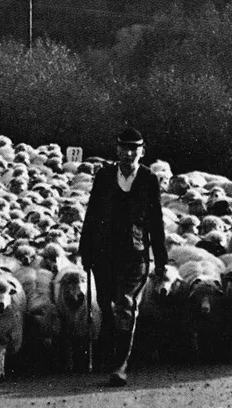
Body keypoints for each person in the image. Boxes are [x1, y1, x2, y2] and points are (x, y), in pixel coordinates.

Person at [76, 127, 167, 387]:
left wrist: (161, 259)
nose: (128, 154)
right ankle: (111, 353)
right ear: (117, 150)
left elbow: (156, 221)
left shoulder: (149, 179)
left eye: (134, 149)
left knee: (124, 304)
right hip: (104, 253)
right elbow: (92, 214)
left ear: (142, 151)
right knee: (106, 304)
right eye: (124, 148)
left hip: (135, 254)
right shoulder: (104, 175)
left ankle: (120, 364)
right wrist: (86, 250)